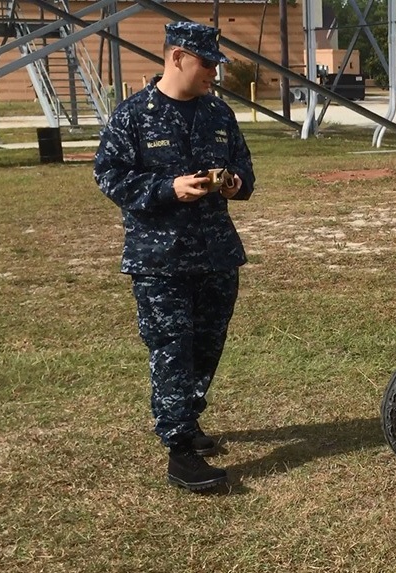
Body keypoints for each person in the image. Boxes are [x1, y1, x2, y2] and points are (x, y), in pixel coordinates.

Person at [94, 21, 255, 491]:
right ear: (178, 57)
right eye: (207, 63)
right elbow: (109, 176)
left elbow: (245, 168)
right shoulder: (134, 115)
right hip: (160, 259)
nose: (213, 73)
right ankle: (180, 451)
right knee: (171, 349)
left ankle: (189, 417)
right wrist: (168, 189)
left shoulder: (218, 114)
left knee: (207, 346)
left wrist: (233, 182)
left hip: (216, 253)